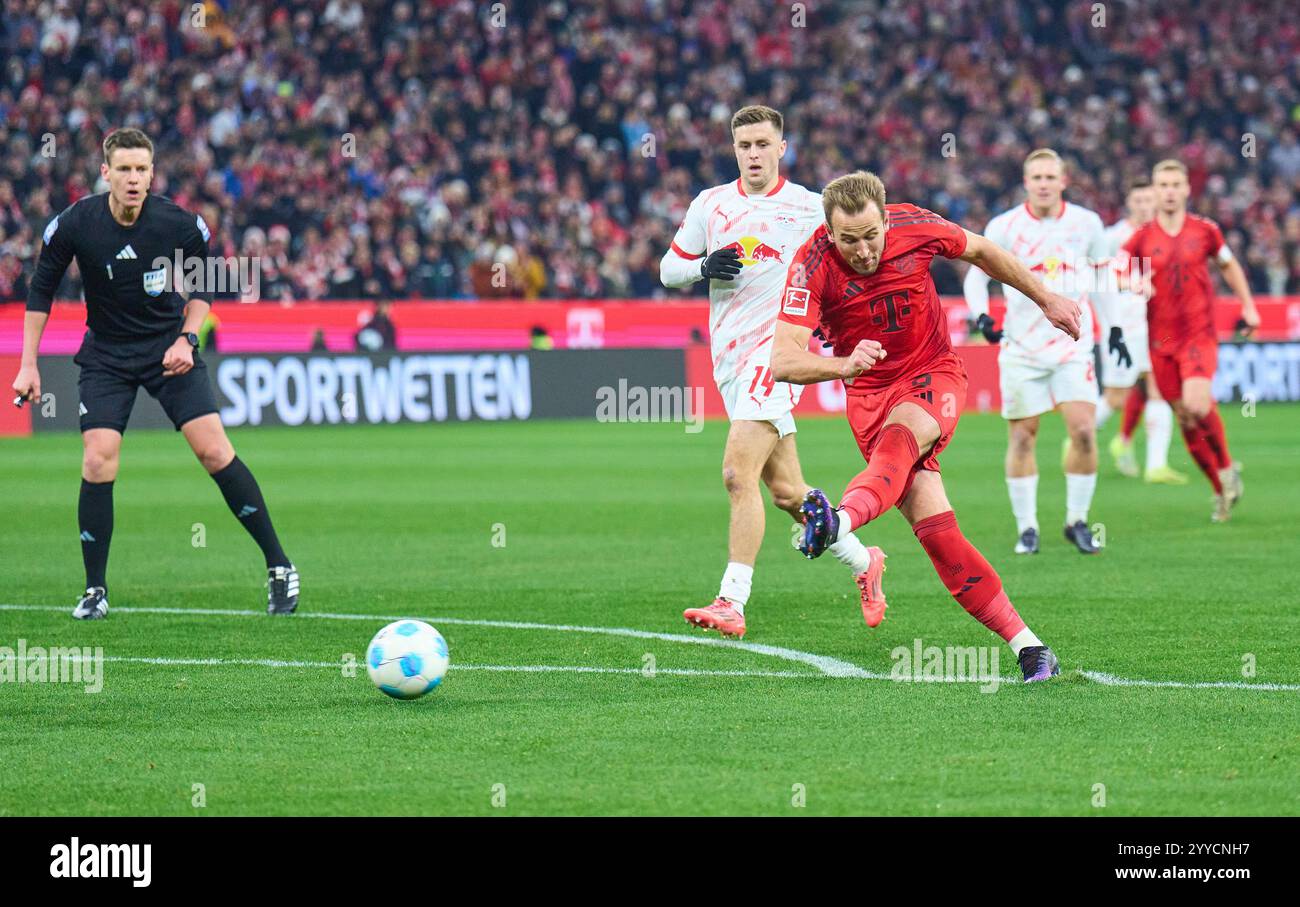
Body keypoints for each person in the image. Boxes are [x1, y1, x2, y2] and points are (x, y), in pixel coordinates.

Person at [771, 170, 1081, 682]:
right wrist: (842, 365)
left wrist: (1045, 298)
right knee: (939, 536)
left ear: (886, 218)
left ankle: (840, 522)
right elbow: (783, 359)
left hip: (932, 372)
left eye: (872, 235)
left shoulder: (916, 224)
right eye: (849, 240)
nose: (864, 250)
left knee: (901, 438)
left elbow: (981, 250)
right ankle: (1031, 646)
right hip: (867, 394)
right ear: (829, 232)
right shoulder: (810, 266)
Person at [9, 128, 298, 619]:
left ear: (152, 173)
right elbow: (41, 292)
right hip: (106, 355)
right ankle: (95, 590)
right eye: (123, 169)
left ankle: (279, 566)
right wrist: (28, 364)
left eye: (142, 169)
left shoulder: (176, 224)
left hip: (168, 349)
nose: (133, 178)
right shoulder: (77, 223)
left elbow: (204, 290)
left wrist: (189, 339)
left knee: (213, 451)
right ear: (106, 174)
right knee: (98, 459)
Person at [659, 105, 879, 638]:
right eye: (743, 146)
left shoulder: (809, 208)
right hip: (730, 361)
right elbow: (669, 270)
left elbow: (852, 260)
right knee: (786, 492)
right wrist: (702, 268)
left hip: (775, 358)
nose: (753, 154)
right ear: (733, 149)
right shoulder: (710, 204)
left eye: (762, 144)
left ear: (782, 147)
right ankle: (863, 559)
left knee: (737, 475)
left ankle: (732, 600)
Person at [962, 149, 1116, 555]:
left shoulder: (1087, 224)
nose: (1044, 183)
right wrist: (981, 316)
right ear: (1026, 182)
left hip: (1073, 345)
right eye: (1037, 177)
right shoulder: (1005, 226)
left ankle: (1077, 521)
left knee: (1083, 430)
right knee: (1023, 437)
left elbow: (1104, 278)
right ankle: (1027, 528)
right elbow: (977, 277)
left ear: (1064, 181)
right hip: (1021, 348)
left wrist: (1113, 328)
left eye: (1051, 176)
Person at [1119, 160, 1260, 522]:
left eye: (1174, 184)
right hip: (1160, 340)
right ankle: (1221, 489)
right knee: (1183, 416)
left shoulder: (1206, 231)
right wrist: (1131, 282)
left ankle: (1227, 468)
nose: (1168, 191)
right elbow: (1117, 270)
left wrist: (1248, 305)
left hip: (1198, 334)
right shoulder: (1141, 237)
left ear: (1186, 190)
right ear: (1154, 189)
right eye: (1162, 184)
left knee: (1197, 405)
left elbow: (1229, 265)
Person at [1095, 177, 1186, 484]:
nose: (1146, 206)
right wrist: (1130, 284)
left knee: (1161, 387)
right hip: (1124, 323)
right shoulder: (1112, 236)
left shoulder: (1163, 234)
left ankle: (1156, 466)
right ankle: (1080, 436)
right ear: (1129, 204)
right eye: (1140, 201)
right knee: (1116, 396)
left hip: (1157, 325)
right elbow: (1100, 276)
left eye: (1151, 200)